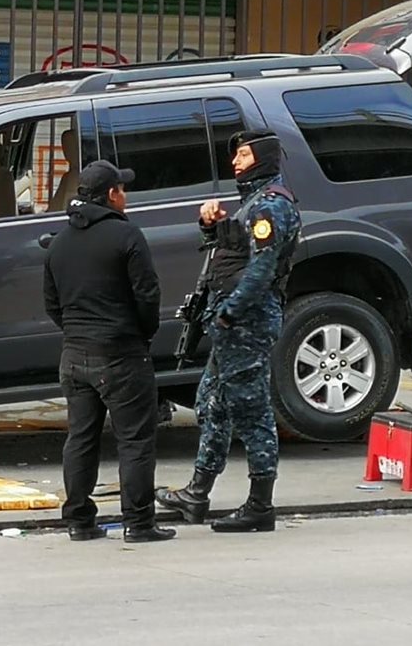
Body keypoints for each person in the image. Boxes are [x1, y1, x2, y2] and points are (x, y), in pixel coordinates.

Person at [156, 129, 302, 534]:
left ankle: (260, 505)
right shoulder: (253, 204)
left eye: (243, 155)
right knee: (212, 404)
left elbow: (262, 268)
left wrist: (229, 313)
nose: (235, 162)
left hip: (246, 324)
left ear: (263, 158)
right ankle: (197, 492)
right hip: (232, 325)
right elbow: (233, 255)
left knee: (252, 411)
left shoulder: (271, 206)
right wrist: (211, 226)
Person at [43, 160, 175, 544]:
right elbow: (148, 295)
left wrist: (76, 330)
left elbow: (52, 303)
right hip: (120, 353)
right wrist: (140, 334)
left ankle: (79, 521)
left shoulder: (59, 243)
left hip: (74, 354)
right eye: (122, 189)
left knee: (81, 437)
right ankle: (139, 523)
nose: (125, 196)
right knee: (134, 440)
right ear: (112, 194)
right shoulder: (126, 236)